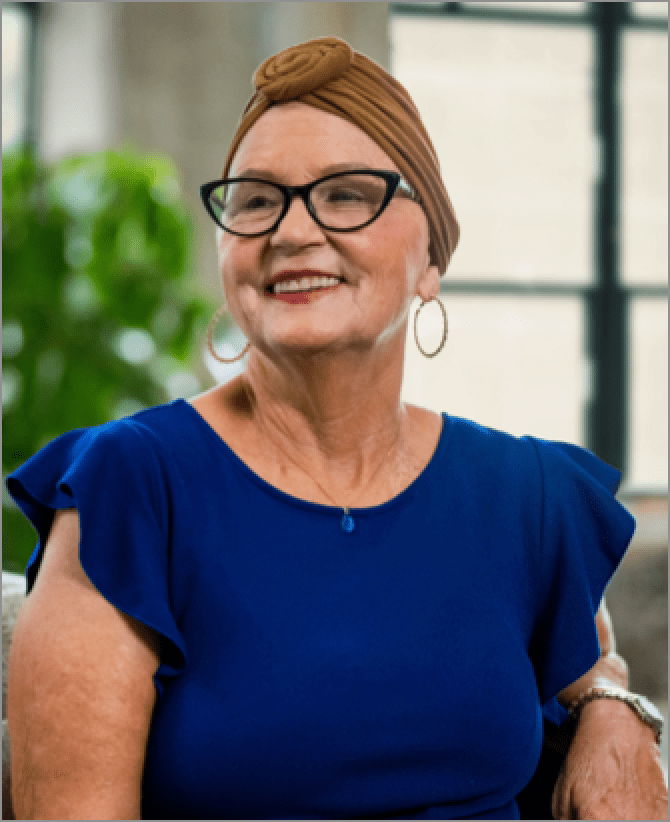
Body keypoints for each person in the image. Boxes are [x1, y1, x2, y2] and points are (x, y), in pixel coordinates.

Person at [6, 37, 667, 820]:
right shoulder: (132, 488)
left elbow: (580, 631)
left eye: (347, 194)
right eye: (256, 199)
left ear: (431, 260)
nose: (291, 230)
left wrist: (611, 705)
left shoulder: (525, 492)